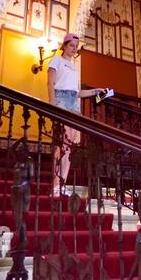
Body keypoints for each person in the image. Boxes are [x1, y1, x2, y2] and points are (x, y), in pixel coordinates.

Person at [47, 33, 108, 197]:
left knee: (69, 147)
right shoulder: (56, 60)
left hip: (74, 103)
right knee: (62, 144)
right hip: (61, 99)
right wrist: (52, 102)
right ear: (64, 45)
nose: (74, 49)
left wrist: (96, 91)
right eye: (72, 45)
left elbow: (77, 92)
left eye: (76, 46)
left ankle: (62, 184)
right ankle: (55, 184)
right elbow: (50, 82)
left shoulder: (74, 67)